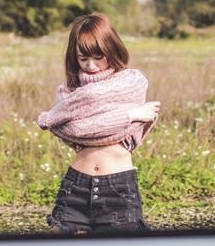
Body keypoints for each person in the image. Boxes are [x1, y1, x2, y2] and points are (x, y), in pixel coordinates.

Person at [37, 12, 160, 234]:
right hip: (76, 187)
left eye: (98, 56)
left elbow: (78, 126)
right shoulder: (69, 92)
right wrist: (130, 115)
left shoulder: (131, 82)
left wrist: (85, 119)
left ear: (111, 49)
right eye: (83, 59)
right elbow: (73, 129)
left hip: (118, 189)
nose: (91, 65)